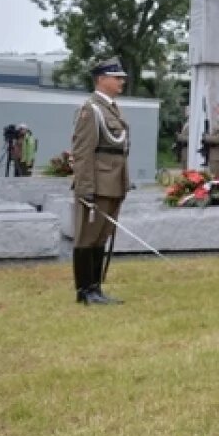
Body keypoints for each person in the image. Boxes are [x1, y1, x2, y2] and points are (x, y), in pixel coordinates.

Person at [70, 58, 131, 305]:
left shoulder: (111, 108)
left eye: (121, 77)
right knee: (88, 236)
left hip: (113, 182)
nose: (121, 81)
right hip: (97, 183)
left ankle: (96, 288)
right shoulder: (91, 109)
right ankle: (85, 291)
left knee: (102, 236)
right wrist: (85, 188)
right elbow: (83, 152)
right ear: (101, 79)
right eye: (116, 77)